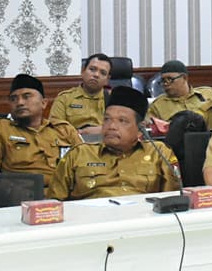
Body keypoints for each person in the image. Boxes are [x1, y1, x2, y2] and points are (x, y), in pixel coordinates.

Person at [47, 86, 179, 200]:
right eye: (107, 119)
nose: (111, 126)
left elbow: (173, 200)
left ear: (140, 130)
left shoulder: (159, 153)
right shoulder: (79, 154)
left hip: (144, 218)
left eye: (122, 121)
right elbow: (54, 202)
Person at [0, 74, 82, 196]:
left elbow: (85, 163)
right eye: (13, 99)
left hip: (67, 195)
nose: (19, 103)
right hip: (24, 196)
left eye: (26, 97)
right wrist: (7, 192)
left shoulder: (64, 129)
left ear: (44, 103)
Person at [49, 53, 112, 135]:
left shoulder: (114, 99)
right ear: (83, 71)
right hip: (74, 141)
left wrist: (103, 130)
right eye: (92, 69)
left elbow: (122, 128)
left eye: (103, 73)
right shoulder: (64, 98)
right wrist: (82, 132)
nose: (96, 75)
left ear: (107, 79)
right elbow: (54, 130)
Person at [148, 60, 212, 121]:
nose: (166, 84)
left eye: (170, 79)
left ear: (184, 78)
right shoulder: (157, 106)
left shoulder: (209, 94)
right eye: (163, 80)